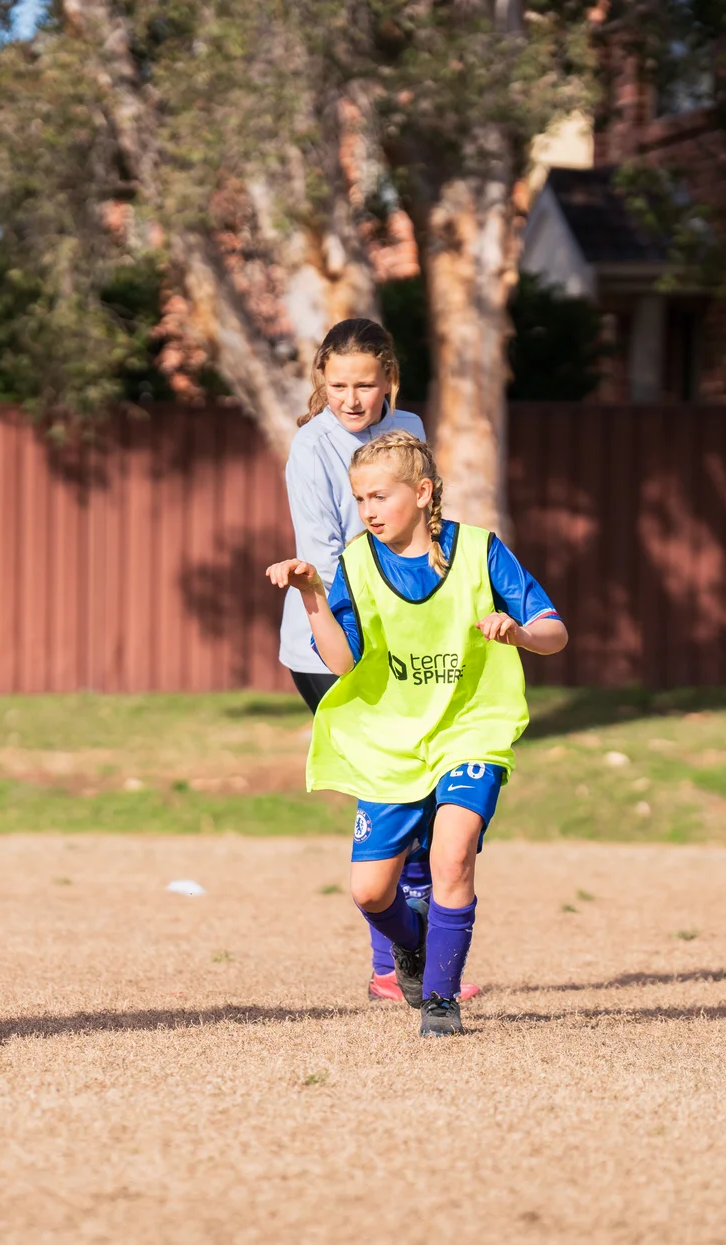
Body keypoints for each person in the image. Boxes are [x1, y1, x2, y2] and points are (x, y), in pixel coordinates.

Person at [265, 431, 567, 1036]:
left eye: (379, 496)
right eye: (360, 499)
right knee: (372, 892)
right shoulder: (353, 562)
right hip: (390, 743)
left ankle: (439, 1001)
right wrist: (311, 597)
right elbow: (342, 663)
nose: (368, 510)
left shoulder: (481, 551)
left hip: (471, 731)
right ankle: (410, 947)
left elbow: (554, 633)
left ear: (423, 493)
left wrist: (520, 633)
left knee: (454, 856)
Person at [280, 319, 479, 1003]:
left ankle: (403, 965)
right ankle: (397, 967)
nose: (352, 399)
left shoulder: (412, 426)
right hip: (334, 647)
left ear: (389, 377)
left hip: (409, 647)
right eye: (337, 386)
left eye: (365, 384)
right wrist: (393, 610)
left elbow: (424, 526)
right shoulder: (310, 449)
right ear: (320, 382)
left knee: (423, 805)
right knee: (394, 790)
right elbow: (325, 551)